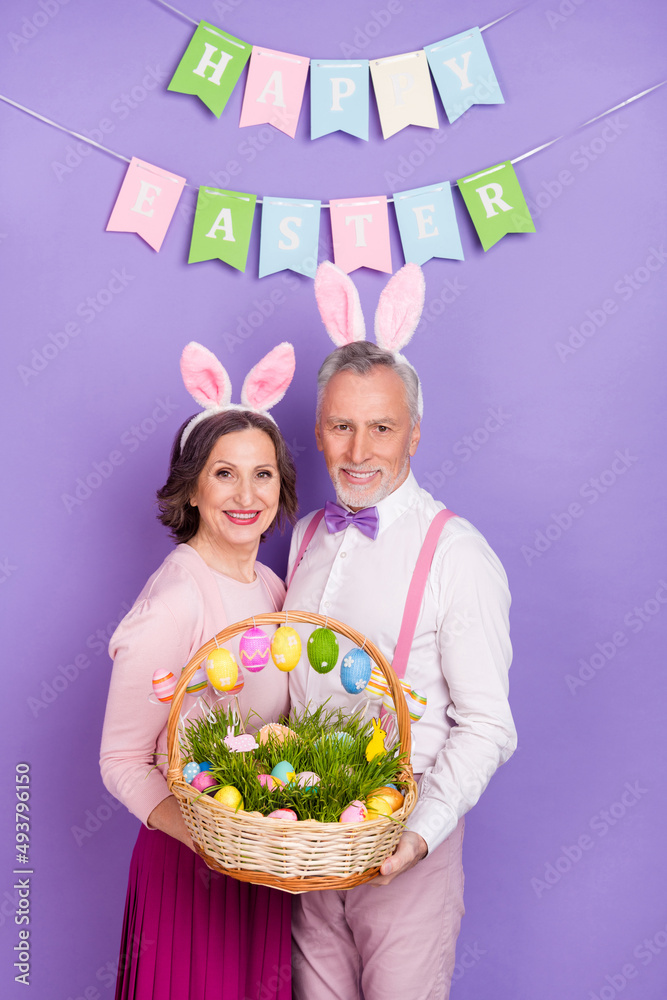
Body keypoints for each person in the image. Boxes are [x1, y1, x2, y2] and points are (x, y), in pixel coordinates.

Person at [284, 262, 517, 1000]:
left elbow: (487, 725)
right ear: (317, 432)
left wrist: (418, 833)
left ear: (412, 433)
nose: (359, 451)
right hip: (308, 845)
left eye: (380, 427)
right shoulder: (301, 537)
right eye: (341, 426)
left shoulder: (457, 554)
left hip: (408, 851)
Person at [100, 341, 298, 1000]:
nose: (246, 495)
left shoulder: (273, 587)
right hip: (191, 869)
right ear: (190, 485)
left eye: (262, 474)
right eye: (223, 473)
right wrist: (206, 842)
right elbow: (123, 758)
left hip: (260, 866)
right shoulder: (178, 597)